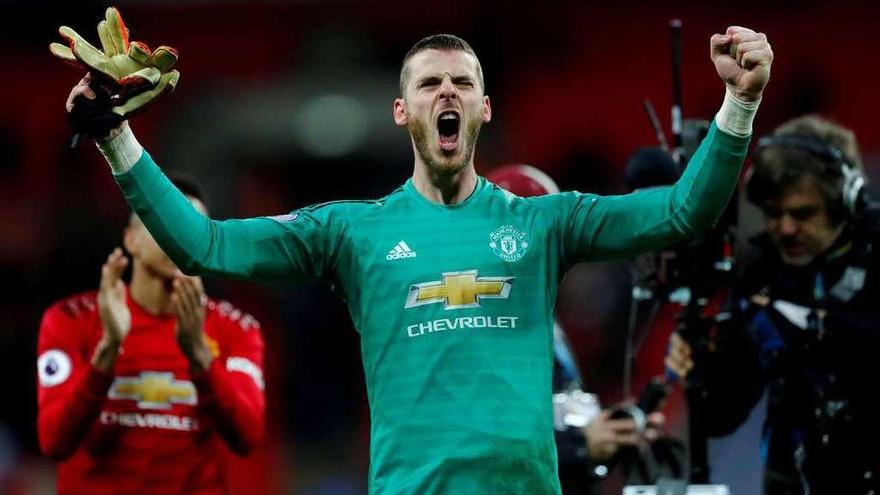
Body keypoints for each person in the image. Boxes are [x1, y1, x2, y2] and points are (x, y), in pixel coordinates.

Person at [60, 12, 772, 493]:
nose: (447, 93)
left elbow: (686, 210)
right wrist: (116, 138)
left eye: (462, 82)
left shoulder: (546, 222)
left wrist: (739, 104)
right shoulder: (351, 230)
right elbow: (204, 244)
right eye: (430, 83)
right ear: (403, 112)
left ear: (484, 109)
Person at [666, 115, 880, 494]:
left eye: (802, 214)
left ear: (846, 198)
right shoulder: (758, 269)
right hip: (791, 479)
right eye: (774, 213)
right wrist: (703, 369)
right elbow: (721, 418)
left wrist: (811, 327)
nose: (785, 228)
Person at [36, 176, 266, 495]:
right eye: (166, 222)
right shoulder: (71, 320)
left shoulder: (236, 329)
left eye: (193, 227)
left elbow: (247, 437)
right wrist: (108, 350)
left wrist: (200, 355)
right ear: (131, 240)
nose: (180, 237)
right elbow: (53, 441)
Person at [489, 164, 667, 495]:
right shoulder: (476, 333)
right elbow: (478, 445)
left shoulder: (545, 324)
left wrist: (610, 433)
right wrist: (580, 445)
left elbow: (554, 422)